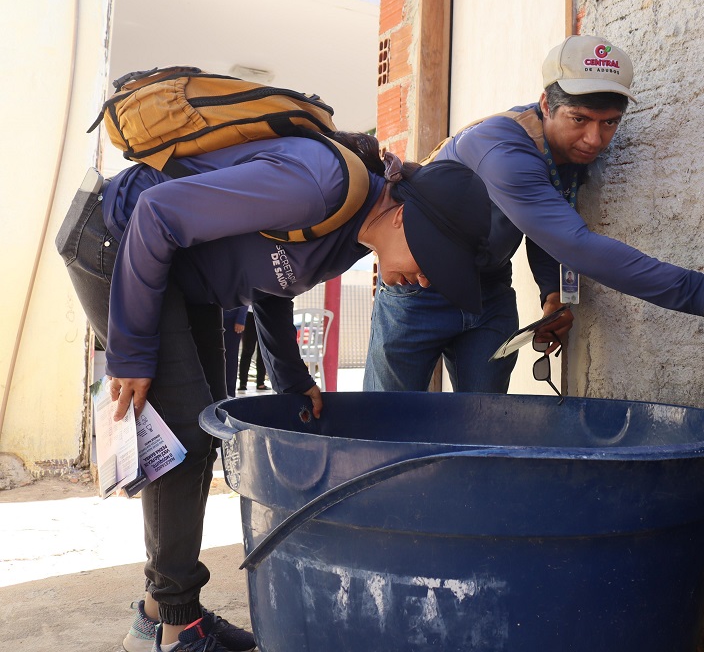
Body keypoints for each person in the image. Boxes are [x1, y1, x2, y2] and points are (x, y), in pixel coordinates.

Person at [56, 131, 491, 652]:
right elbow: (155, 212)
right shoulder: (317, 187)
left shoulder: (356, 235)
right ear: (403, 218)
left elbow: (272, 281)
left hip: (179, 273)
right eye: (432, 266)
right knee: (183, 441)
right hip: (118, 240)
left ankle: (159, 616)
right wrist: (129, 352)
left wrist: (291, 378)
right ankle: (175, 629)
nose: (424, 282)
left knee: (205, 427)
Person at [364, 34, 704, 394]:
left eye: (610, 123)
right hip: (418, 291)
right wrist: (699, 292)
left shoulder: (565, 150)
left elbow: (547, 225)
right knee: (385, 424)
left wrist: (553, 295)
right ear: (546, 103)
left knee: (484, 423)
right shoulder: (501, 148)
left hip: (489, 294)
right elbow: (573, 244)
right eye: (580, 119)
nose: (595, 139)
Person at [236, 307, 266, 392]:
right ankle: (243, 383)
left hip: (263, 313)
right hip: (250, 314)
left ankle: (260, 382)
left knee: (262, 351)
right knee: (247, 350)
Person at [222, 306, 245, 396]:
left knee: (231, 358)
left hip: (232, 319)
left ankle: (230, 393)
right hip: (213, 316)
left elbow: (245, 294)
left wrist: (241, 318)